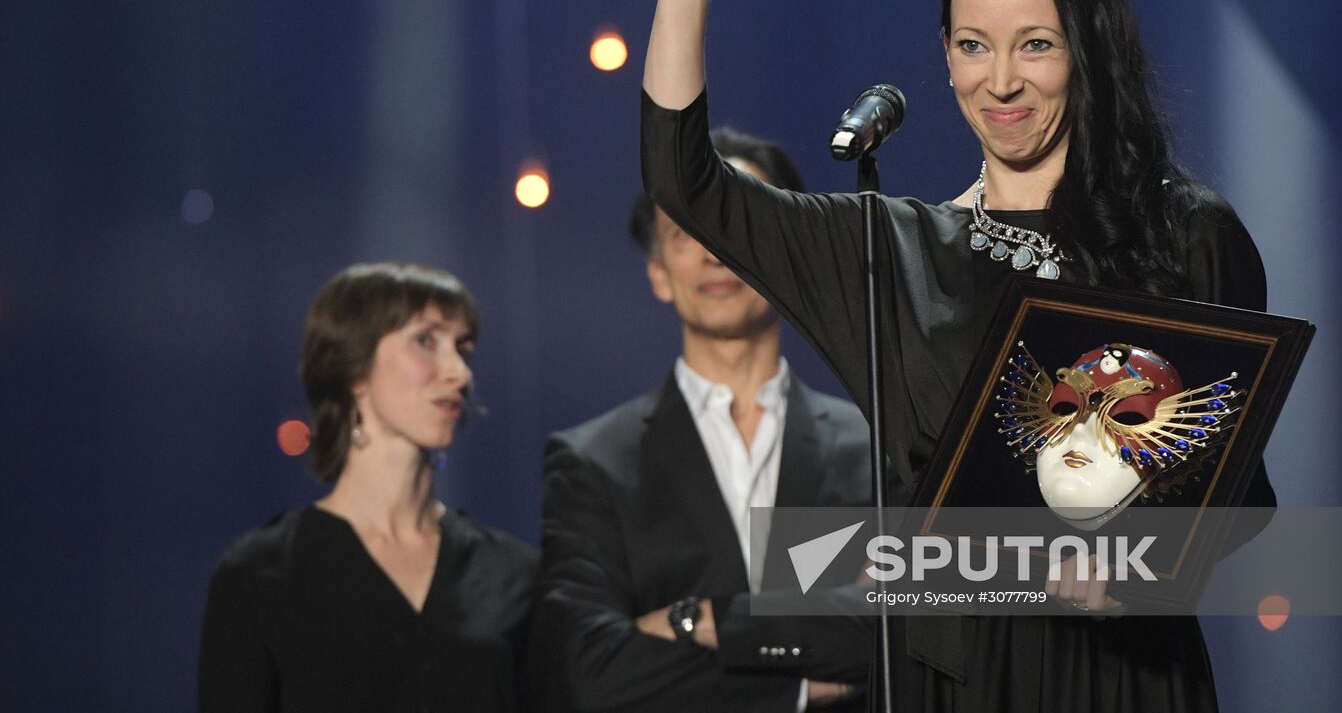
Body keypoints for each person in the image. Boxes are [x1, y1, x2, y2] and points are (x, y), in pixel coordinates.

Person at [637, 0, 1277, 711]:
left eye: (1036, 45)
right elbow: (684, 180)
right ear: (944, 57)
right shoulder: (886, 251)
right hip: (953, 678)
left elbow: (1243, 502)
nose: (1001, 82)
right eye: (973, 45)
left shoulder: (1185, 233)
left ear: (1088, 51)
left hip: (1124, 677)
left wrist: (1141, 568)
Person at [537, 128, 874, 711]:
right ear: (658, 272)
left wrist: (696, 620)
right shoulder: (594, 461)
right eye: (686, 230)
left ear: (792, 253)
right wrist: (796, 688)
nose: (716, 249)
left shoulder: (876, 447)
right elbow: (591, 669)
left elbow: (899, 636)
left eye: (739, 220)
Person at [198, 262, 537, 713]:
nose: (458, 372)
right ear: (354, 367)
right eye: (426, 341)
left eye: (463, 349)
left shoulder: (511, 574)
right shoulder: (261, 574)